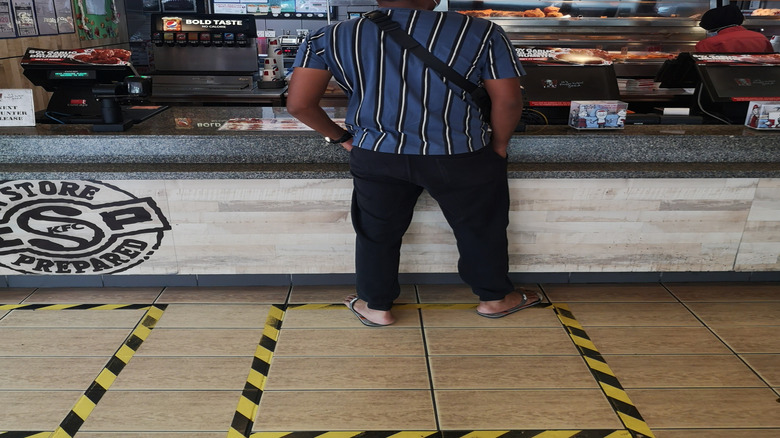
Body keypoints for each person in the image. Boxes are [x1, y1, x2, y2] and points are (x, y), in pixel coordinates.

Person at [286, 0, 540, 326]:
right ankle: (495, 299)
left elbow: (298, 104)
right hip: (460, 152)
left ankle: (376, 307)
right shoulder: (481, 30)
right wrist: (499, 145)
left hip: (377, 152)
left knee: (377, 232)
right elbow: (508, 99)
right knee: (481, 228)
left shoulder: (328, 36)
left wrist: (342, 138)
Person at [694, 3, 774, 53]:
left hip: (723, 79)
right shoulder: (761, 38)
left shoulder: (708, 43)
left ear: (712, 27)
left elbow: (704, 70)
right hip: (759, 79)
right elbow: (770, 61)